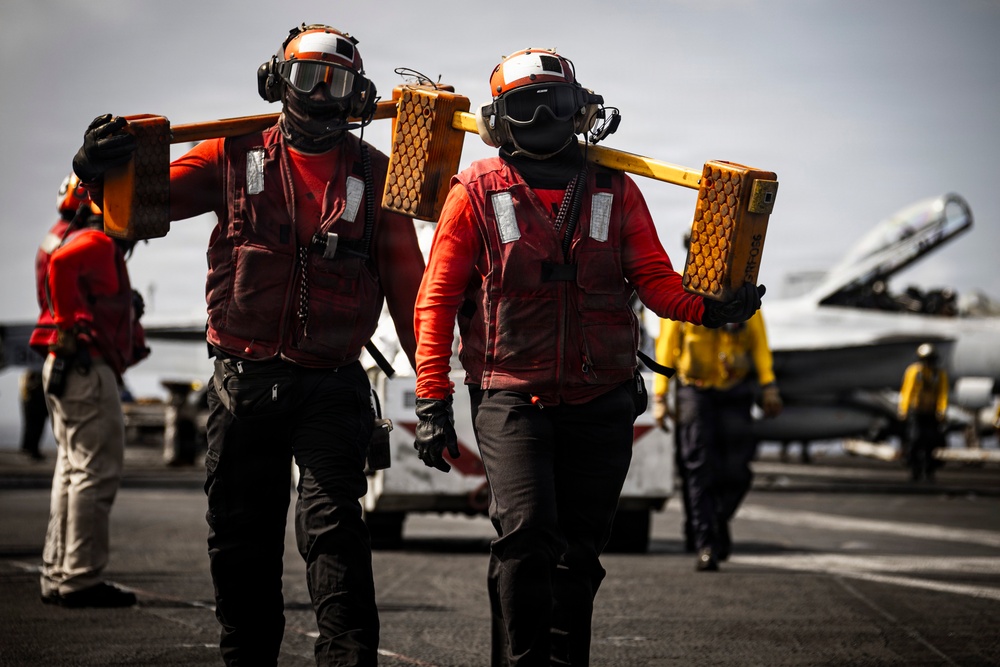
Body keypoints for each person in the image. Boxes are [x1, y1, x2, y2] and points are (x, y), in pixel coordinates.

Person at [72, 23, 424, 667]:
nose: (319, 93)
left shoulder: (380, 180)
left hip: (332, 385)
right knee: (240, 539)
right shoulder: (230, 157)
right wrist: (98, 169)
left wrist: (432, 392)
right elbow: (139, 208)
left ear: (357, 93)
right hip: (243, 384)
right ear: (275, 80)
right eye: (305, 76)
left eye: (335, 81)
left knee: (334, 533)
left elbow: (409, 288)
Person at [412, 47, 764, 666]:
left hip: (601, 398)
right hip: (510, 395)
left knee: (579, 552)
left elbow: (656, 282)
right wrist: (433, 399)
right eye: (527, 102)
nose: (545, 110)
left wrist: (712, 309)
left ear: (583, 108)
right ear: (499, 118)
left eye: (557, 98)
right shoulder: (473, 193)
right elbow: (435, 302)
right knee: (525, 538)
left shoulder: (615, 190)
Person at [30, 190, 150, 608]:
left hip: (64, 367)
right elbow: (65, 266)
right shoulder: (96, 241)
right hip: (86, 367)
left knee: (71, 471)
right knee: (94, 473)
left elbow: (60, 264)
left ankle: (58, 571)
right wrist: (69, 325)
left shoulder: (59, 236)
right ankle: (80, 579)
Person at [653, 311, 782, 572]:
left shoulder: (744, 294)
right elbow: (666, 345)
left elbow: (759, 342)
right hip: (695, 391)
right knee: (699, 468)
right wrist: (660, 396)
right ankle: (705, 544)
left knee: (738, 471)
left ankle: (715, 520)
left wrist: (769, 386)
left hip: (734, 390)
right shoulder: (683, 292)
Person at [21, 174, 89, 461]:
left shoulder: (53, 236)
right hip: (66, 335)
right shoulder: (73, 240)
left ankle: (32, 445)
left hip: (48, 330)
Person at [897, 343, 949, 482]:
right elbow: (907, 391)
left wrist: (941, 411)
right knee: (915, 440)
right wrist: (903, 409)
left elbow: (942, 394)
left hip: (931, 414)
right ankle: (915, 469)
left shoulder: (939, 374)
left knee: (931, 442)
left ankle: (929, 470)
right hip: (916, 413)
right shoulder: (914, 372)